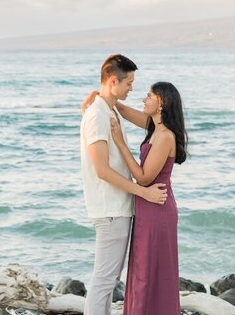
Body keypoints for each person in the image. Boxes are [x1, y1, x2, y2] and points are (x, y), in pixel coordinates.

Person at [85, 81, 189, 315]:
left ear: (161, 103)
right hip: (146, 206)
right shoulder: (154, 126)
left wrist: (120, 142)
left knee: (150, 270)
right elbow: (122, 110)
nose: (144, 99)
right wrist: (102, 99)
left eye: (149, 95)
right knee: (142, 269)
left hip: (156, 207)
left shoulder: (165, 137)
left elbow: (143, 178)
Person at [80, 54, 168, 315]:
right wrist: (144, 192)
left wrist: (109, 101)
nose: (132, 88)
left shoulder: (106, 109)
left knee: (107, 282)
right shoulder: (97, 115)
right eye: (128, 83)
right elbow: (102, 170)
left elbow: (151, 122)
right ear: (113, 80)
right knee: (104, 281)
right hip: (110, 210)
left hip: (118, 207)